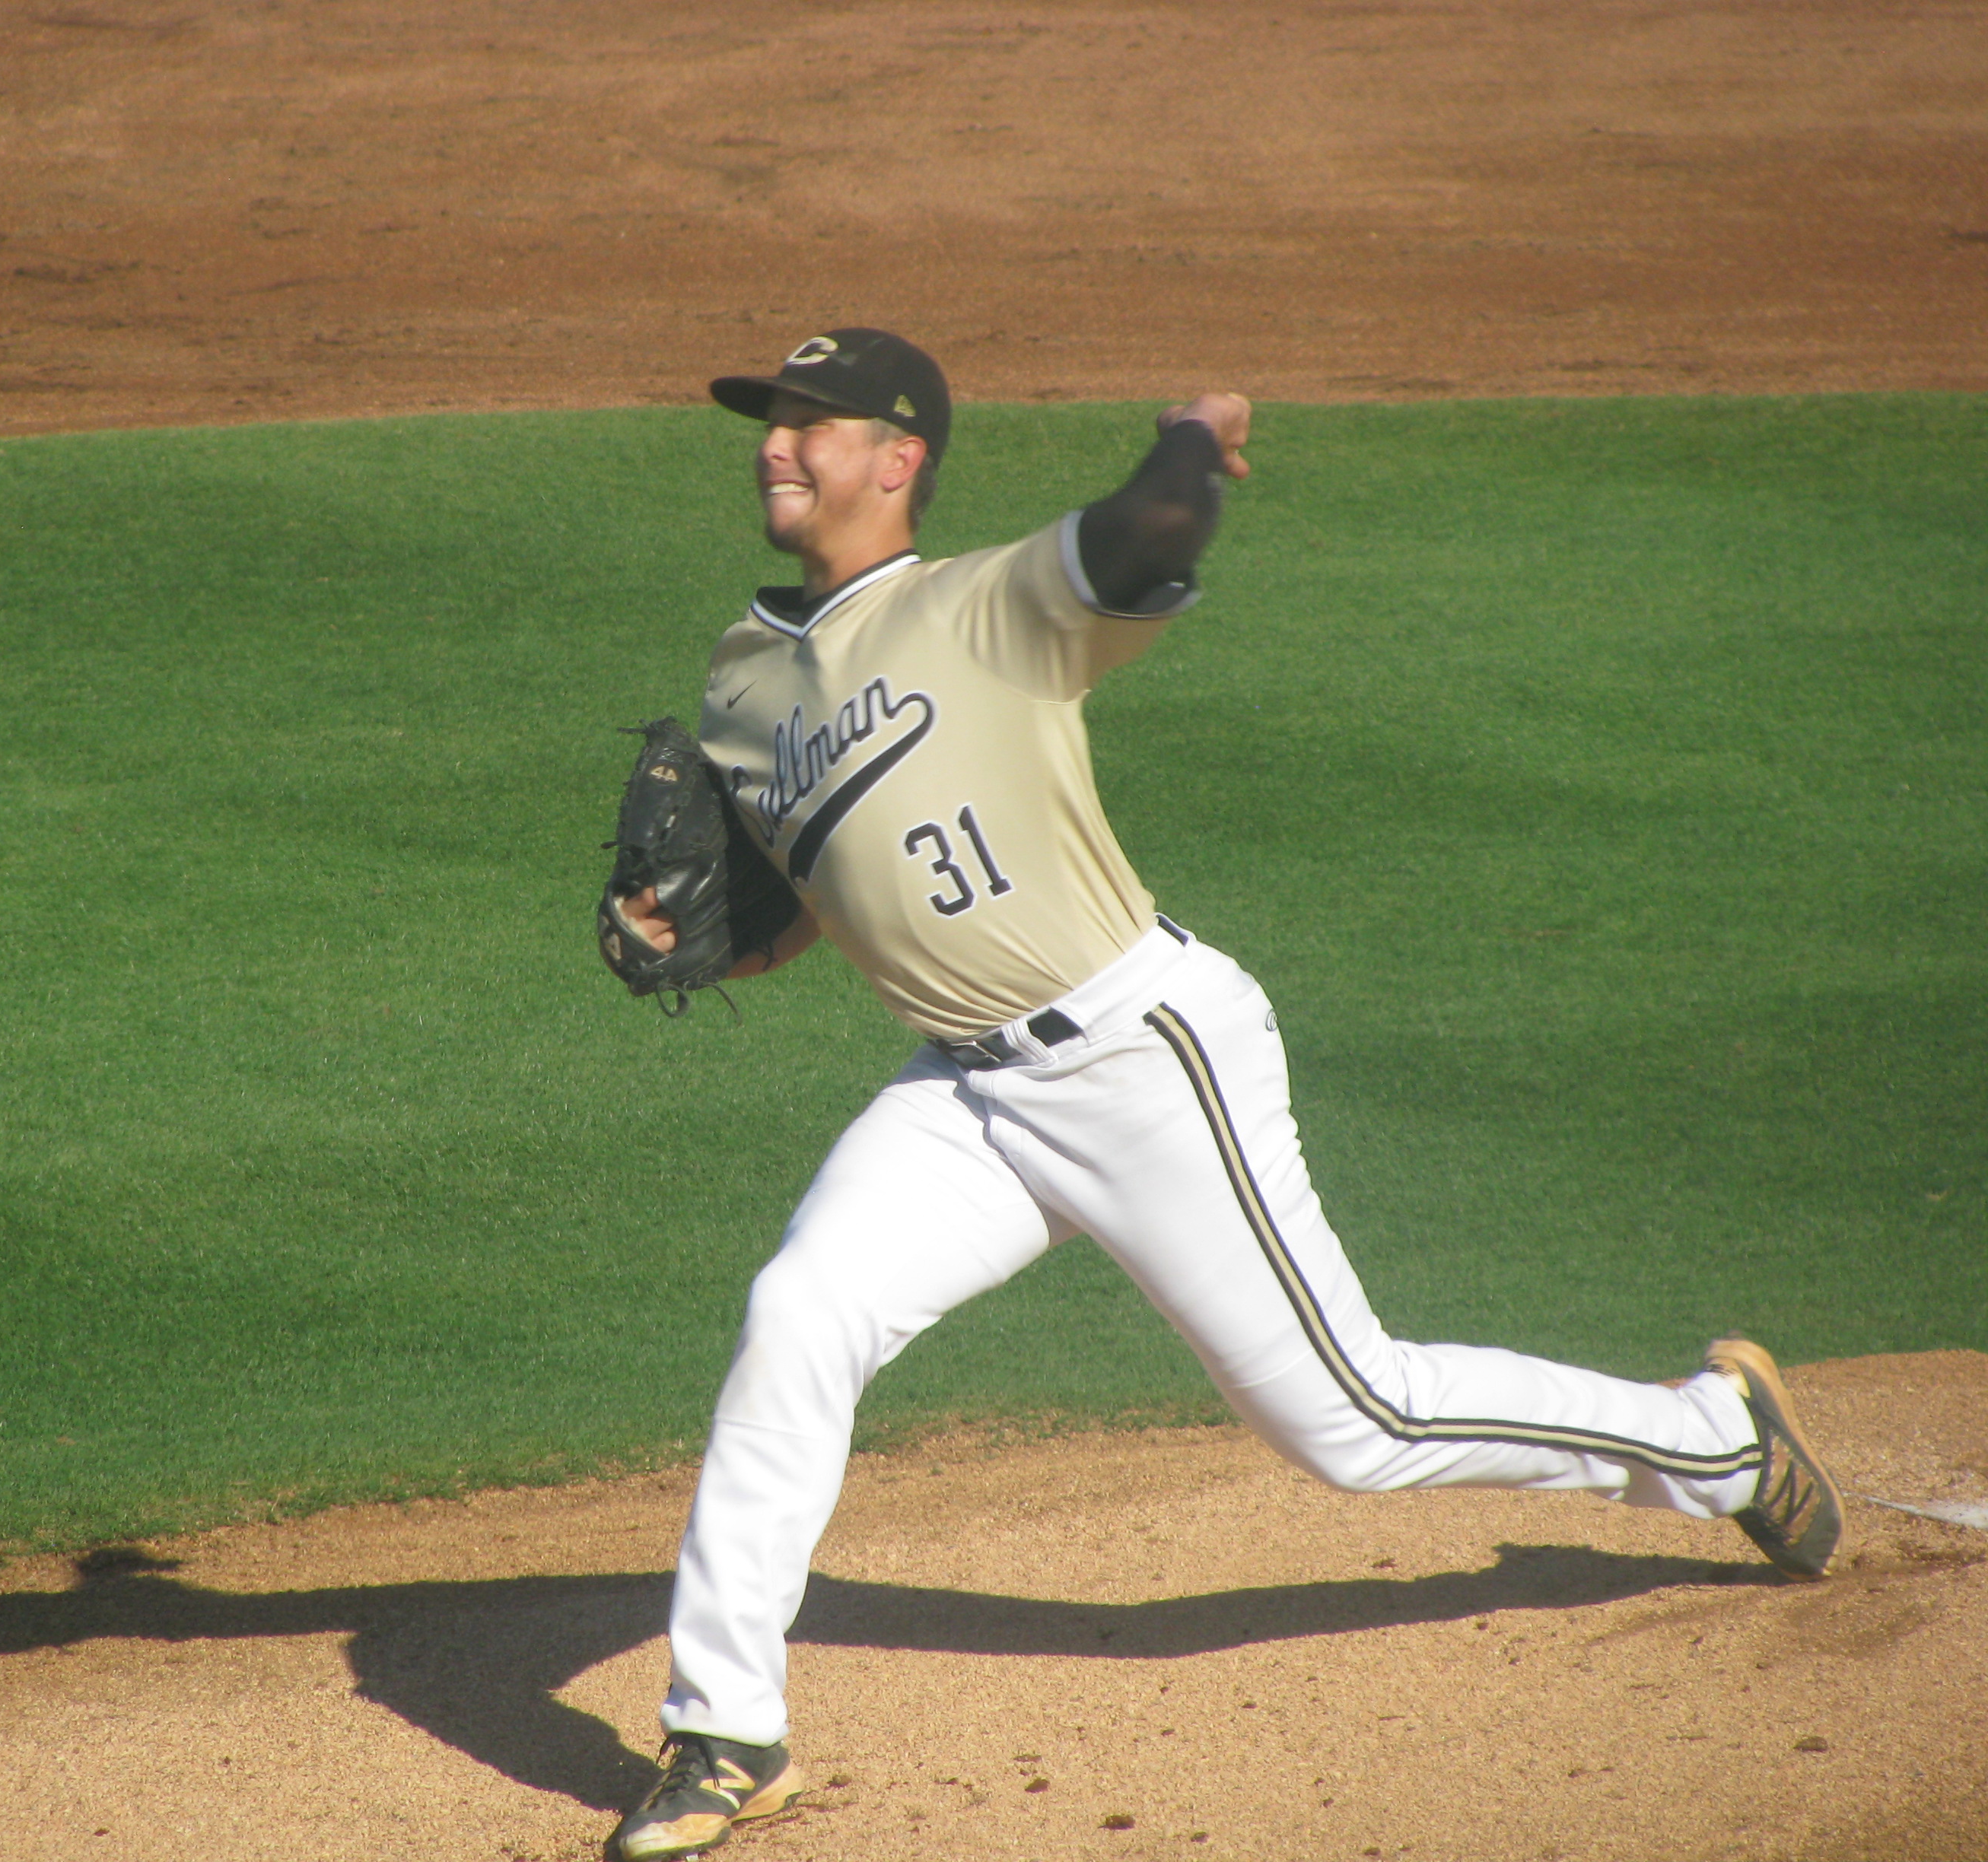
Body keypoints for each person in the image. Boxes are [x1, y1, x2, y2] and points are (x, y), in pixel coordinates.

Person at [606, 329, 1842, 1862]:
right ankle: (725, 1735)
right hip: (965, 1100)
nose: (776, 445)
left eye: (813, 423)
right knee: (802, 1311)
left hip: (1142, 1058)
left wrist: (1193, 433)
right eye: (773, 422)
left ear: (899, 457)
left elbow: (1150, 532)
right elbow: (806, 906)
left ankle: (1718, 1439)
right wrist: (692, 939)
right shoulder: (742, 677)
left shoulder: (987, 604)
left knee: (1358, 1422)